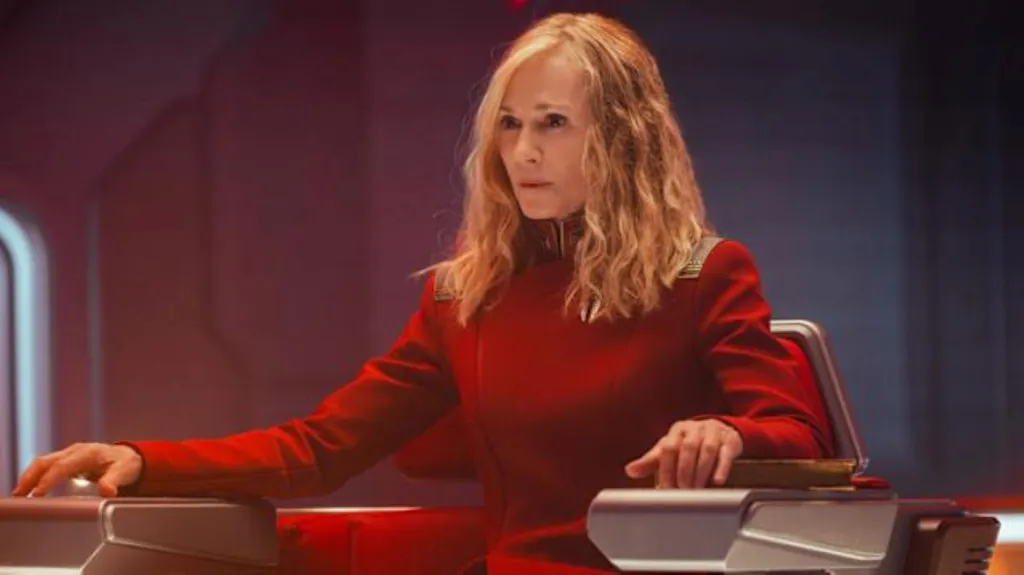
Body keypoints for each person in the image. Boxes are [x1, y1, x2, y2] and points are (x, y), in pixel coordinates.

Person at [13, 12, 830, 575]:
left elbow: (799, 432)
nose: (523, 151)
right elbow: (319, 449)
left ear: (621, 140)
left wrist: (727, 430)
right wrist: (144, 460)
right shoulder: (464, 298)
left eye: (553, 123)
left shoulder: (704, 273)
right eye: (509, 124)